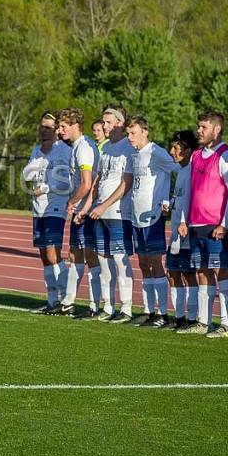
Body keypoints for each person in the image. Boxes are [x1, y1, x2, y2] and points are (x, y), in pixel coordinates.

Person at [180, 111, 228, 337]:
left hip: (216, 225)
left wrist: (225, 224)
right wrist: (185, 219)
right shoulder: (195, 155)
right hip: (196, 224)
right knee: (202, 271)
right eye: (199, 127)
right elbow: (190, 191)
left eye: (204, 127)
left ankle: (226, 323)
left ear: (216, 129)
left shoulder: (227, 156)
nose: (199, 131)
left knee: (221, 270)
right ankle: (203, 322)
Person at [124, 115, 176, 327]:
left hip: (153, 217)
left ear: (145, 132)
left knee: (155, 263)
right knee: (143, 263)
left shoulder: (157, 152)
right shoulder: (135, 154)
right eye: (128, 133)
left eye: (133, 133)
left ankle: (162, 314)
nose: (129, 137)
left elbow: (179, 171)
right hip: (137, 218)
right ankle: (148, 310)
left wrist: (169, 201)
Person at [52, 107, 102, 317]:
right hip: (81, 209)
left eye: (63, 126)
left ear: (75, 126)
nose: (59, 131)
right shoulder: (77, 146)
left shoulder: (84, 148)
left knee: (91, 256)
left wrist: (72, 202)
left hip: (86, 210)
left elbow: (86, 183)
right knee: (75, 254)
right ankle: (68, 302)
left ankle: (95, 306)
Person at [88, 107, 135, 322]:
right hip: (100, 212)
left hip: (117, 212)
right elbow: (98, 180)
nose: (103, 126)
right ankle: (108, 306)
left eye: (107, 122)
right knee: (103, 260)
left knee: (119, 259)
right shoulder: (105, 149)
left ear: (118, 123)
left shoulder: (128, 147)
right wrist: (89, 206)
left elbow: (127, 182)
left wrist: (104, 205)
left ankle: (126, 308)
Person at [22, 111, 73, 312]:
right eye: (42, 126)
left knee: (53, 252)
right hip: (38, 207)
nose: (44, 130)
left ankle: (66, 299)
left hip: (55, 206)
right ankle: (52, 300)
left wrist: (47, 188)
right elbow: (29, 174)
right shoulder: (36, 149)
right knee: (44, 254)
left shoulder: (64, 151)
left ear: (57, 130)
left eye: (49, 127)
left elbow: (69, 182)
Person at [167, 130, 201, 331]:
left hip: (186, 231)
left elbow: (192, 201)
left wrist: (185, 222)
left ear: (188, 150)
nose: (172, 151)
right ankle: (179, 318)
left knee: (188, 274)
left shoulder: (192, 170)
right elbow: (181, 198)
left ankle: (192, 318)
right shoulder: (180, 170)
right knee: (173, 273)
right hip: (175, 231)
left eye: (176, 148)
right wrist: (170, 204)